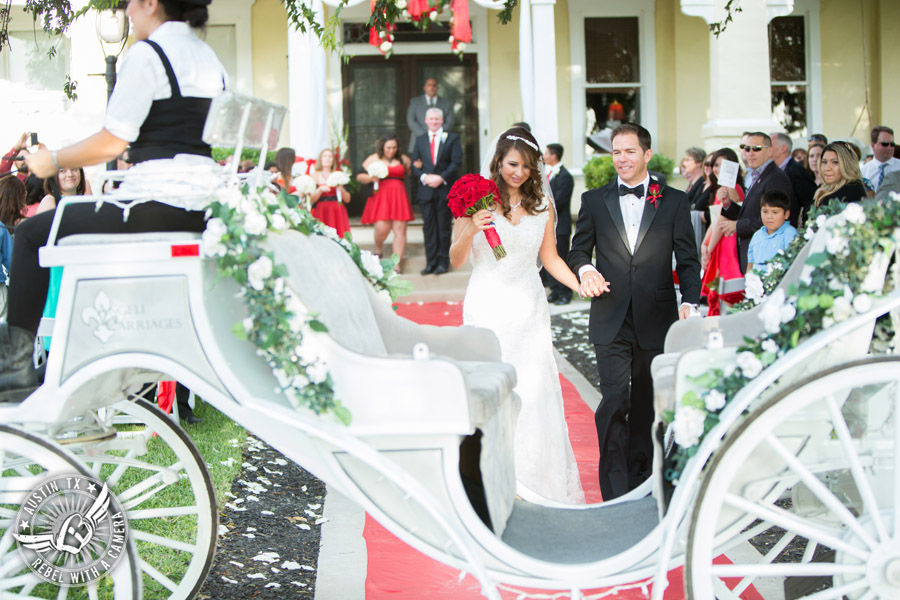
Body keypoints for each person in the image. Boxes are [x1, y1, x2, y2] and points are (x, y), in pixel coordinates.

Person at [1, 0, 226, 402]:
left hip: (157, 203)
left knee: (32, 235)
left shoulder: (148, 54)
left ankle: (15, 369)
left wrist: (49, 161)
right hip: (203, 206)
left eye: (128, 5)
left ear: (150, 4)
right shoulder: (208, 57)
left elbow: (112, 140)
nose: (126, 13)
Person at [450, 127, 584, 504]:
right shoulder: (476, 200)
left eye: (526, 166)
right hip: (487, 304)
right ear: (498, 162)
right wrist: (469, 230)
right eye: (512, 164)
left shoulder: (542, 207)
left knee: (533, 391)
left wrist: (580, 285)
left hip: (528, 309)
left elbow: (551, 258)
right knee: (488, 390)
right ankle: (488, 480)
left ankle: (533, 483)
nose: (519, 172)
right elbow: (456, 259)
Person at [568, 122, 701, 501]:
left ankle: (641, 485)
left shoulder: (674, 200)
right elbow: (579, 250)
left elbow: (688, 260)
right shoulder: (594, 200)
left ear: (646, 154)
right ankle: (613, 490)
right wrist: (586, 269)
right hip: (609, 315)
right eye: (616, 152)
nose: (621, 159)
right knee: (613, 401)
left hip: (656, 317)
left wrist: (689, 301)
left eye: (629, 151)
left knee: (644, 405)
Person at [721, 132, 792, 273]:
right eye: (747, 149)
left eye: (757, 148)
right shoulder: (756, 175)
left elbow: (774, 219)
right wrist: (728, 204)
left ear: (770, 150)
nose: (750, 153)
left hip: (767, 257)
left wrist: (737, 225)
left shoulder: (775, 177)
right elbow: (748, 212)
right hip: (752, 251)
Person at [411, 108, 462, 275]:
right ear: (426, 120)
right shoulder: (419, 140)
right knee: (429, 228)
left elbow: (456, 163)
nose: (433, 121)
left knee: (443, 227)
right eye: (431, 119)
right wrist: (425, 177)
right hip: (426, 191)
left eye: (436, 119)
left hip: (444, 189)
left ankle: (442, 263)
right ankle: (430, 263)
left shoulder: (452, 138)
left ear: (442, 121)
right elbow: (415, 164)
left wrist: (440, 177)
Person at [358, 134, 413, 263]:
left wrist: (418, 166)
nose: (391, 150)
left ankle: (396, 263)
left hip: (399, 196)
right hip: (381, 197)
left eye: (394, 147)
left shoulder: (403, 159)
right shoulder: (373, 158)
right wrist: (371, 178)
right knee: (381, 229)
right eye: (388, 147)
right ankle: (378, 248)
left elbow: (411, 173)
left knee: (400, 230)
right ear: (382, 147)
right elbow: (359, 176)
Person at [542, 143, 575, 305]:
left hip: (560, 226)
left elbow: (559, 202)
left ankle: (565, 292)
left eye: (546, 153)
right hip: (547, 224)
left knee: (561, 258)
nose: (544, 155)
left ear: (554, 156)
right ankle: (555, 289)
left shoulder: (565, 176)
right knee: (547, 257)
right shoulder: (546, 174)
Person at [770, 132, 816, 227]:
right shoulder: (776, 170)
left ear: (783, 148)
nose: (767, 150)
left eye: (770, 146)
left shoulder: (796, 171)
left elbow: (810, 203)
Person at [746, 189, 797, 273]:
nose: (769, 216)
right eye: (765, 211)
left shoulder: (790, 234)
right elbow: (750, 265)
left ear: (786, 214)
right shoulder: (757, 235)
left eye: (775, 212)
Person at [310, 148, 351, 240]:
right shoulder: (314, 175)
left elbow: (348, 199)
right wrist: (319, 190)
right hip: (321, 209)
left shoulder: (339, 175)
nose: (327, 159)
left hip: (337, 209)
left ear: (333, 160)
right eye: (325, 156)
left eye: (330, 156)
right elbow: (311, 199)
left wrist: (341, 189)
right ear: (321, 159)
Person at [406, 77, 454, 153]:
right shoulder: (415, 102)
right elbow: (411, 121)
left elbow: (449, 122)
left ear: (437, 88)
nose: (431, 87)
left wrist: (436, 134)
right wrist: (425, 135)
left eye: (434, 85)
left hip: (440, 141)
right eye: (429, 85)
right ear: (425, 88)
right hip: (418, 139)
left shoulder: (447, 103)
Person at [812, 142, 867, 207]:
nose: (827, 168)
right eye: (824, 162)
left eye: (835, 162)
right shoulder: (825, 187)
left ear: (846, 165)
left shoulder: (851, 189)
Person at [861, 126, 899, 192]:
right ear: (873, 145)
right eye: (885, 144)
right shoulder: (864, 171)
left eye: (892, 144)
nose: (889, 148)